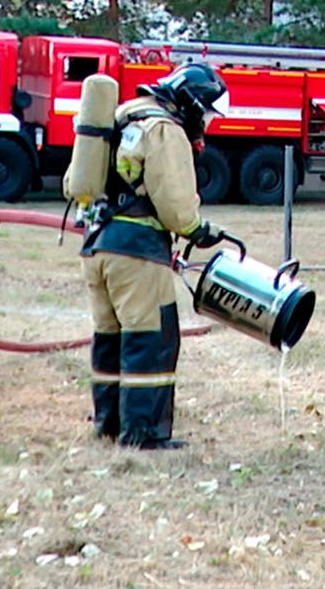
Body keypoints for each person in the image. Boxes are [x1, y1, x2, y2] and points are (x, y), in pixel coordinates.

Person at [70, 63, 231, 450]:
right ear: (193, 104)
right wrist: (198, 230)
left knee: (110, 337)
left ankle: (108, 423)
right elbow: (175, 205)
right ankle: (143, 434)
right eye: (207, 114)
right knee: (150, 339)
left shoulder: (124, 114)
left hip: (97, 246)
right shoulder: (165, 131)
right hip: (137, 253)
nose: (207, 123)